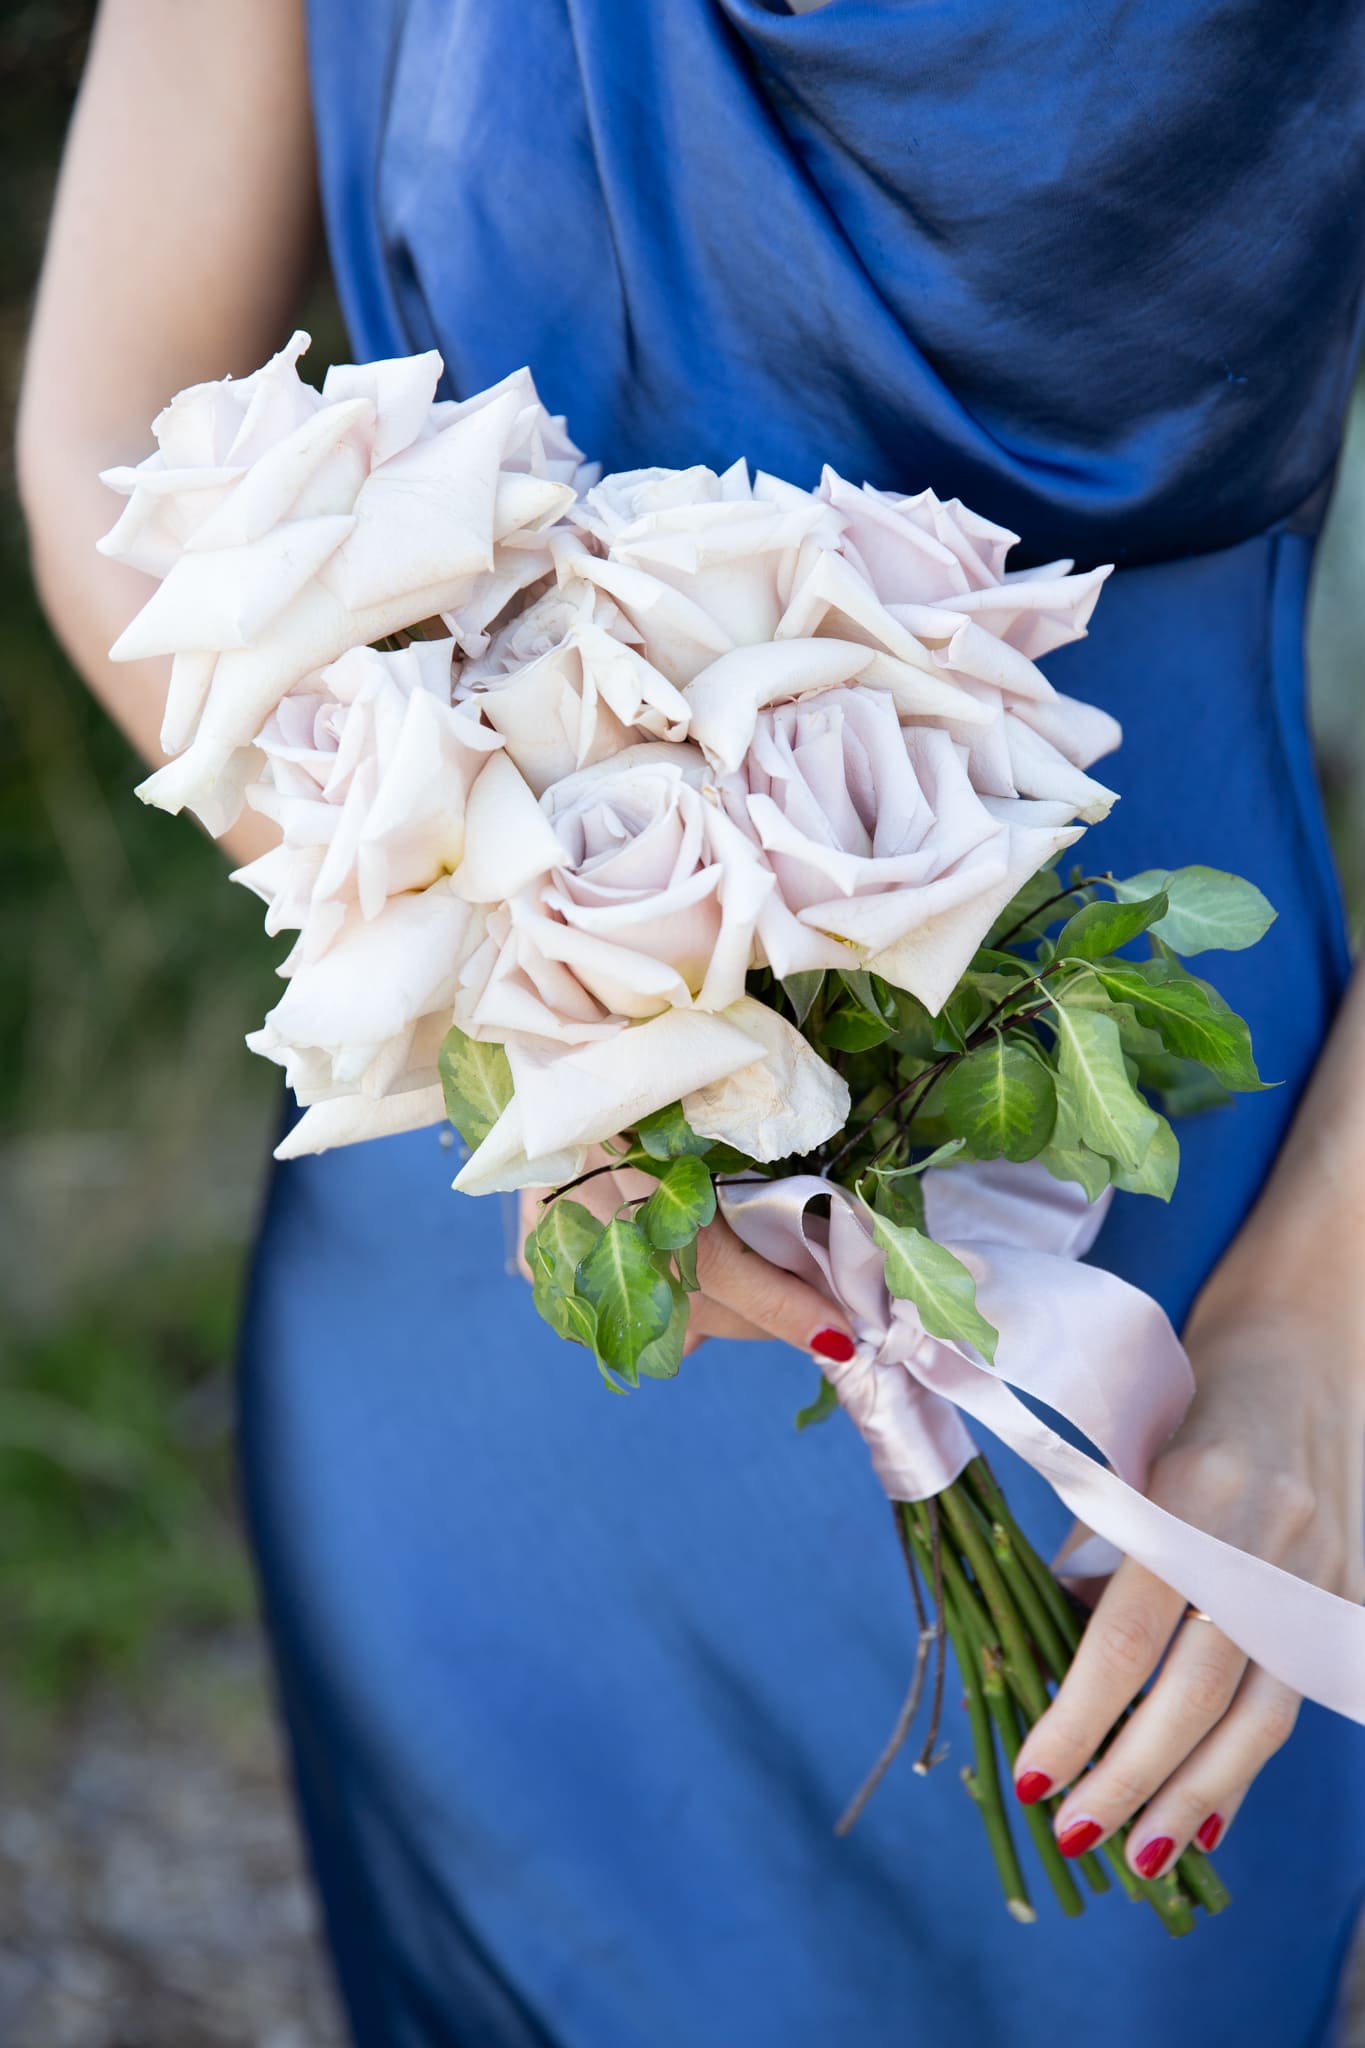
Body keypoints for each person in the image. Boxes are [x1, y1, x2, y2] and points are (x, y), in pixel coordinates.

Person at [17, 1, 1365, 2041]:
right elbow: (105, 432)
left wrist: (1321, 1334)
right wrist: (545, 997)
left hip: (1151, 1257)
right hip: (507, 1258)